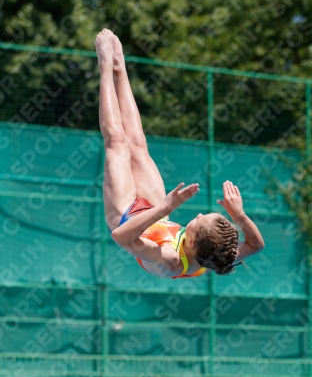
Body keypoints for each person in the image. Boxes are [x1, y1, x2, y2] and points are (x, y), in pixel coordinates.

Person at [95, 29, 265, 279]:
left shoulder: (172, 260)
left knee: (117, 141)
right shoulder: (217, 253)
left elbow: (121, 238)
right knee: (138, 143)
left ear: (193, 244)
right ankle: (120, 68)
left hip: (126, 219)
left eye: (198, 221)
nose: (196, 216)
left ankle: (105, 63)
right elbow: (256, 245)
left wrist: (165, 208)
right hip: (156, 214)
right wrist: (239, 215)